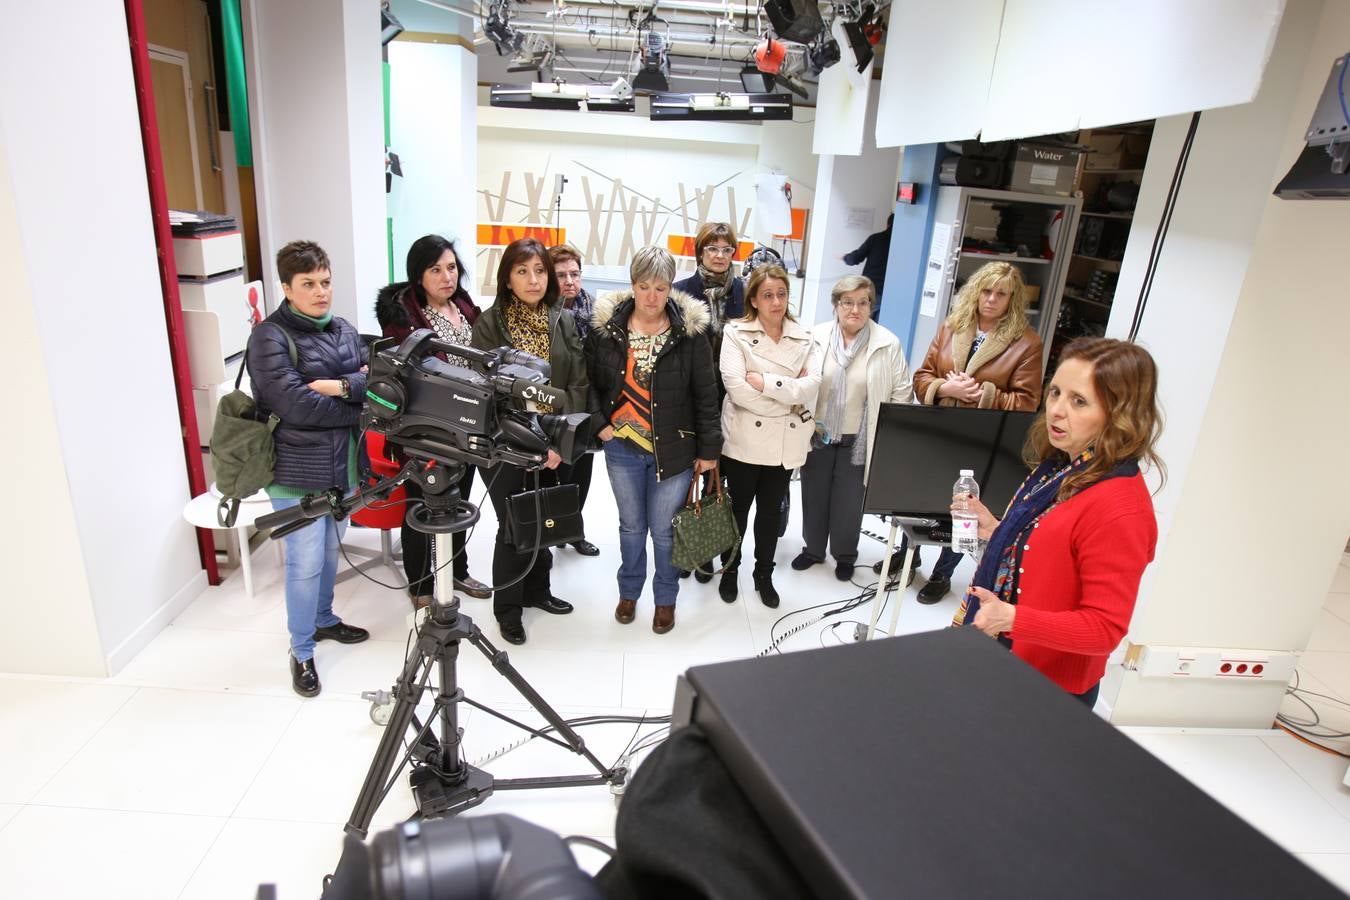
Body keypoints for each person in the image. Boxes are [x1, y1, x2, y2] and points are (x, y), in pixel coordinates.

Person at [956, 337, 1162, 707]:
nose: (1056, 410)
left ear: (1119, 413)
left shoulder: (1119, 507)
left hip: (1046, 689)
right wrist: (995, 530)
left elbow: (1104, 629)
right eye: (1055, 393)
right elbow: (1046, 554)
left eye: (1078, 401)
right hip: (1009, 661)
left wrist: (1011, 618)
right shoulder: (1067, 465)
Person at [249, 240, 370, 698]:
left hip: (342, 462)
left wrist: (340, 386)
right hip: (294, 467)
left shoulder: (342, 327)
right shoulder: (269, 336)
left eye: (325, 281)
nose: (321, 292)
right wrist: (353, 405)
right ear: (287, 287)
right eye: (308, 285)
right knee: (303, 561)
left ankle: (323, 621)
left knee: (329, 552)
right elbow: (294, 403)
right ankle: (301, 652)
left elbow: (371, 379)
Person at [586, 247, 722, 634]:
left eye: (660, 288)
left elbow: (706, 394)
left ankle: (665, 599)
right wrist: (600, 424)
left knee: (664, 530)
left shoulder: (691, 334)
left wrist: (709, 451)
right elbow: (590, 382)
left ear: (670, 289)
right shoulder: (608, 328)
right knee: (631, 526)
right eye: (643, 286)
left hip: (674, 449)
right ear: (632, 286)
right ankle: (629, 592)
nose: (651, 296)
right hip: (622, 446)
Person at [906, 261, 1045, 603]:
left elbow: (1028, 402)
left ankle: (942, 575)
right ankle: (906, 558)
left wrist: (981, 393)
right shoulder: (952, 327)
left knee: (964, 509)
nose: (991, 299)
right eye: (986, 291)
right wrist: (945, 389)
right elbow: (921, 376)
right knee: (918, 497)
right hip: (939, 431)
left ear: (1012, 300)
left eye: (1001, 294)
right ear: (975, 291)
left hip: (981, 441)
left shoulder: (1026, 343)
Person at [471, 238, 588, 645]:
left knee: (544, 519)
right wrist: (528, 441)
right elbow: (486, 389)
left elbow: (576, 383)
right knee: (514, 525)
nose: (533, 279)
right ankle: (508, 607)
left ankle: (539, 591)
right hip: (505, 442)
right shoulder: (489, 323)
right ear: (507, 278)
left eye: (539, 270)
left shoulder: (564, 319)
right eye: (522, 271)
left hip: (553, 441)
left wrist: (556, 441)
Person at [374, 234, 492, 607]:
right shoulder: (402, 316)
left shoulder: (465, 306)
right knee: (420, 505)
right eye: (435, 269)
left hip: (466, 422)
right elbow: (409, 373)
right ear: (418, 275)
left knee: (458, 502)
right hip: (423, 430)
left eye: (452, 268)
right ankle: (422, 585)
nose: (447, 277)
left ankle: (456, 572)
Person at [792, 276, 913, 581]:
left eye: (863, 302)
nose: (855, 309)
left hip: (858, 440)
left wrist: (888, 432)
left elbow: (902, 391)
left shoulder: (887, 343)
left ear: (871, 306)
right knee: (814, 495)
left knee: (849, 502)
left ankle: (845, 555)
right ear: (836, 305)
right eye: (848, 302)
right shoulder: (815, 337)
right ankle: (813, 550)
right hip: (818, 435)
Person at [718, 264, 822, 607]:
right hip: (745, 441)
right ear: (754, 300)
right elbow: (735, 387)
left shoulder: (805, 337)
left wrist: (766, 382)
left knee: (770, 513)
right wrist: (787, 399)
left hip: (784, 444)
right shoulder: (736, 332)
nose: (776, 302)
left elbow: (812, 387)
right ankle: (730, 569)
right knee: (739, 510)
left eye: (782, 294)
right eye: (768, 295)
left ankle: (764, 573)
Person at [673, 221, 744, 583]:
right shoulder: (681, 291)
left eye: (726, 249)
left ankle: (712, 548)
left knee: (720, 478)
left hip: (734, 399)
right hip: (690, 397)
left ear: (735, 253)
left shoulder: (746, 293)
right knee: (688, 474)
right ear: (700, 252)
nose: (719, 256)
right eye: (712, 249)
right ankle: (688, 547)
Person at [548, 243, 601, 558]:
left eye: (575, 273)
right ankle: (550, 531)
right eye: (561, 275)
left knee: (581, 472)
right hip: (554, 407)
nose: (569, 280)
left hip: (587, 406)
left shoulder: (595, 311)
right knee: (556, 474)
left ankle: (573, 530)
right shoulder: (543, 314)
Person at [842, 214, 893, 320]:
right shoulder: (903, 245)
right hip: (891, 293)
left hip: (870, 289)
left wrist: (845, 257)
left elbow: (855, 258)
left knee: (862, 323)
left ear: (887, 224)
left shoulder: (876, 239)